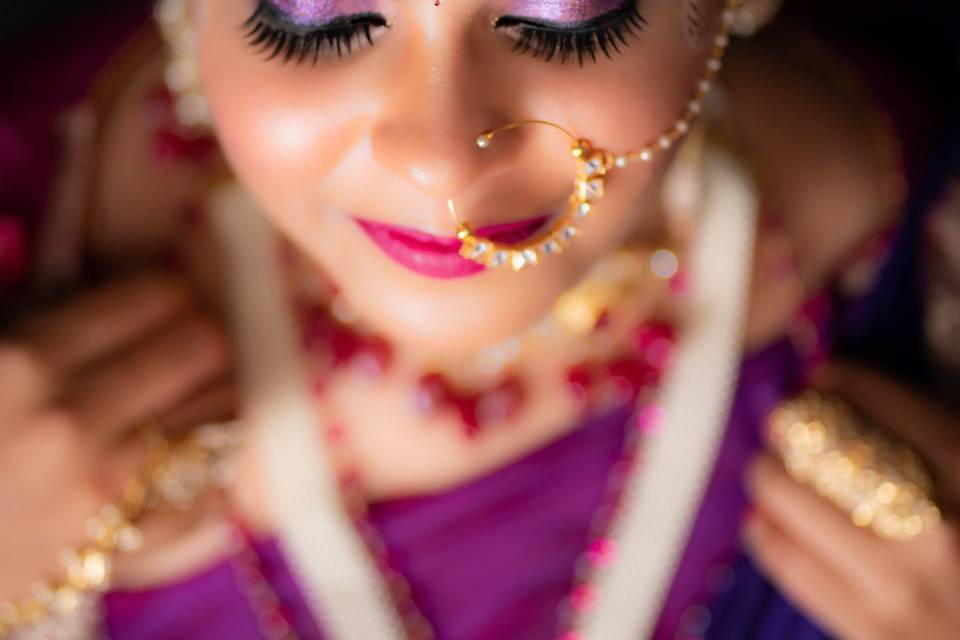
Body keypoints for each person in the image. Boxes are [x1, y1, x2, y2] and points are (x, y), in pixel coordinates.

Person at [0, 0, 958, 638]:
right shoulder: (38, 211)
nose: (443, 161)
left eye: (563, 13)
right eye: (318, 13)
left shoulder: (910, 228)